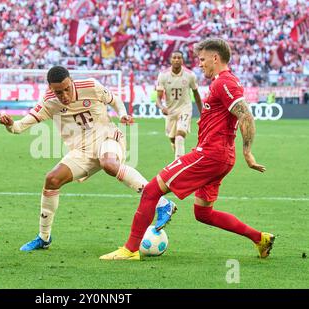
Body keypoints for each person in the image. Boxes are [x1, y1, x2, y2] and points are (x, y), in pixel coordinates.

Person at [100, 38, 274, 261]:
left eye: (202, 60)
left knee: (152, 190)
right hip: (220, 157)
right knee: (203, 213)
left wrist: (248, 152)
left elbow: (246, 114)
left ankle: (130, 249)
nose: (200, 64)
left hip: (210, 154)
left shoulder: (224, 83)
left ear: (215, 58)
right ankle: (260, 238)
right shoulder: (224, 81)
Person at [0, 65, 174, 251]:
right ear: (51, 89)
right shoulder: (49, 102)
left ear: (71, 81)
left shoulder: (91, 86)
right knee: (52, 179)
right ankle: (44, 238)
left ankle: (162, 204)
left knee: (109, 163)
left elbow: (115, 100)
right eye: (59, 92)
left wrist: (122, 114)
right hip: (82, 151)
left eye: (67, 88)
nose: (64, 95)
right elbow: (18, 127)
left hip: (108, 138)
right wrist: (10, 124)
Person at [156, 51, 202, 160]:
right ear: (171, 60)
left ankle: (179, 163)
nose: (177, 60)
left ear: (182, 60)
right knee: (172, 138)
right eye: (174, 57)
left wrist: (202, 113)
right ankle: (175, 149)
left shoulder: (190, 75)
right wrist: (162, 107)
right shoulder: (163, 76)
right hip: (170, 111)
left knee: (180, 136)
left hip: (185, 109)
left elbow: (196, 94)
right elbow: (158, 98)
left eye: (179, 58)